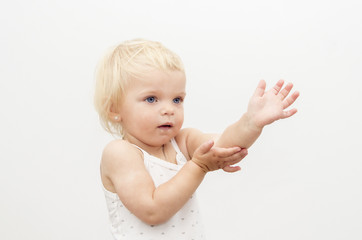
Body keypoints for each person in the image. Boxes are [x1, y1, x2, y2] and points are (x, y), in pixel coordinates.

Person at [94, 39, 299, 240]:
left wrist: (252, 122)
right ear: (114, 109)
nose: (168, 109)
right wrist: (199, 166)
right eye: (151, 99)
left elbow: (225, 147)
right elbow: (152, 211)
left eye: (177, 99)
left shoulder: (182, 141)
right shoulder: (120, 153)